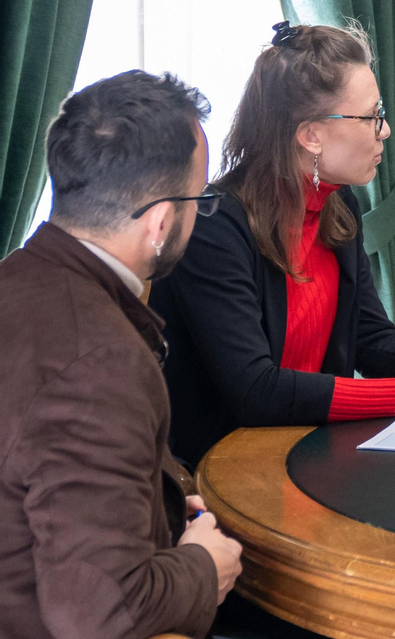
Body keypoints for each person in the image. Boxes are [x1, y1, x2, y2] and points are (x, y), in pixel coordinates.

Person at [152, 23, 395, 469]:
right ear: (311, 135)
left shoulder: (337, 202)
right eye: (372, 116)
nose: (385, 130)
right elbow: (255, 391)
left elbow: (369, 335)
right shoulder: (215, 227)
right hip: (223, 470)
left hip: (312, 452)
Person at [0, 71, 241, 637]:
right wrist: (204, 566)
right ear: (160, 222)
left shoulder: (14, 280)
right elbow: (102, 612)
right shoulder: (100, 364)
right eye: (199, 201)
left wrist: (159, 512)